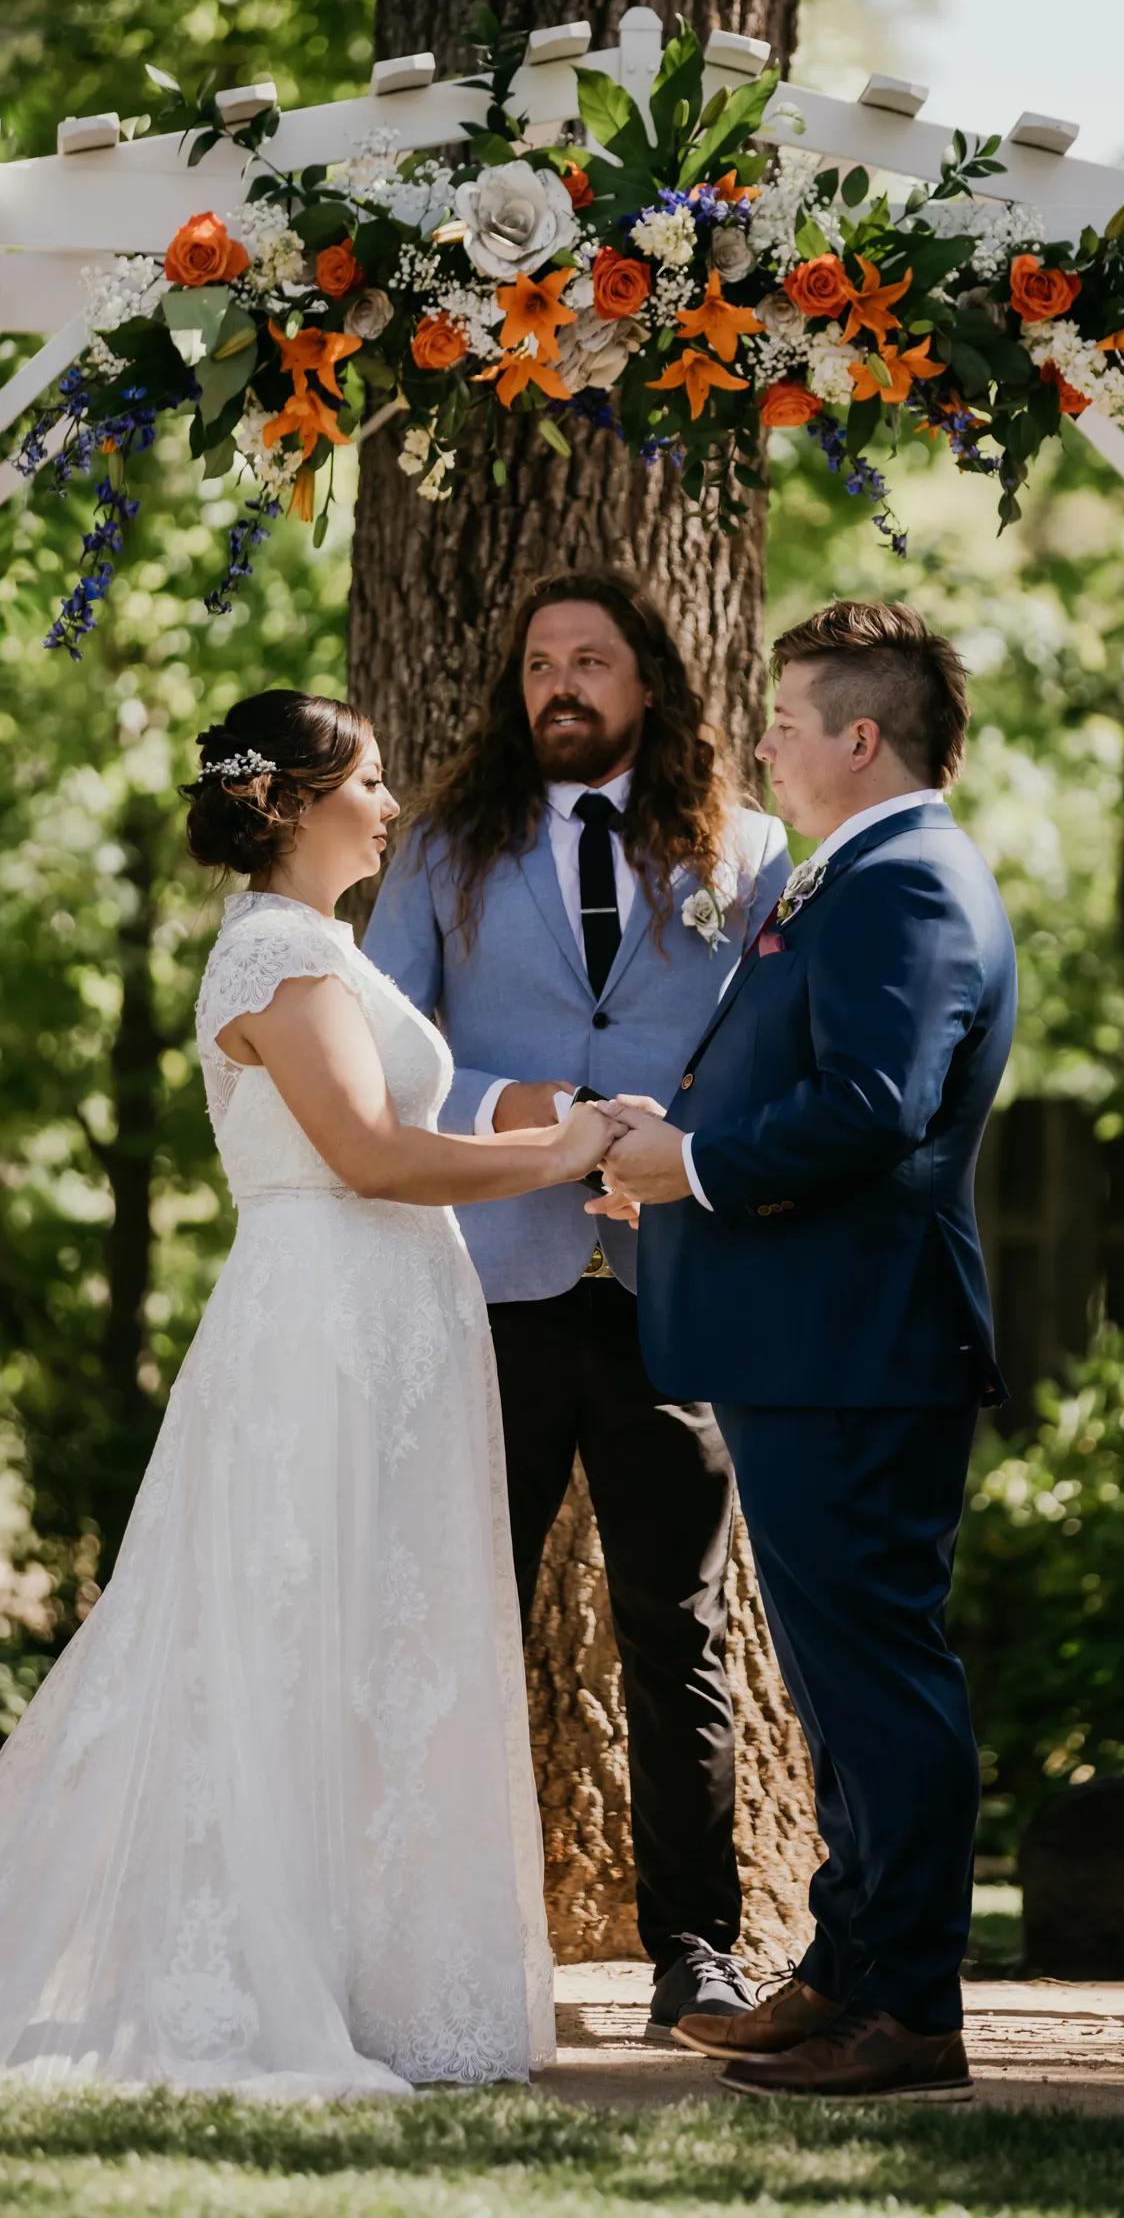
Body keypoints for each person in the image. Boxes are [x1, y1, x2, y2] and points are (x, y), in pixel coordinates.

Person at [0, 690, 618, 2096]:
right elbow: (370, 1158)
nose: (389, 801)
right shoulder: (282, 956)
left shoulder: (319, 953)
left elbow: (412, 1122)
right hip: (323, 1326)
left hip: (383, 1323)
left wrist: (531, 1112)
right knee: (291, 1634)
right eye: (366, 779)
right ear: (293, 801)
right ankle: (248, 1972)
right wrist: (568, 1157)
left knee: (371, 1643)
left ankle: (370, 1971)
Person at [365, 570, 790, 2042]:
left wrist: (669, 1145)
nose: (560, 685)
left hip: (676, 1291)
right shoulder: (441, 847)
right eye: (539, 661)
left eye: (590, 662)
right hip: (491, 1288)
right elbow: (386, 1048)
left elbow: (764, 1049)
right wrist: (523, 1106)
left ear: (648, 682)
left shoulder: (750, 849)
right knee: (452, 1613)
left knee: (677, 1624)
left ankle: (698, 1953)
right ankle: (414, 1932)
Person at [601, 601, 1015, 2103]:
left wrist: (685, 1165)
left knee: (881, 1682)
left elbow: (872, 1107)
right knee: (841, 1688)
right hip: (817, 1346)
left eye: (784, 720)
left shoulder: (904, 883)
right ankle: (845, 1974)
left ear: (859, 737)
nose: (760, 741)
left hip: (858, 1348)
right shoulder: (854, 876)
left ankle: (909, 2008)